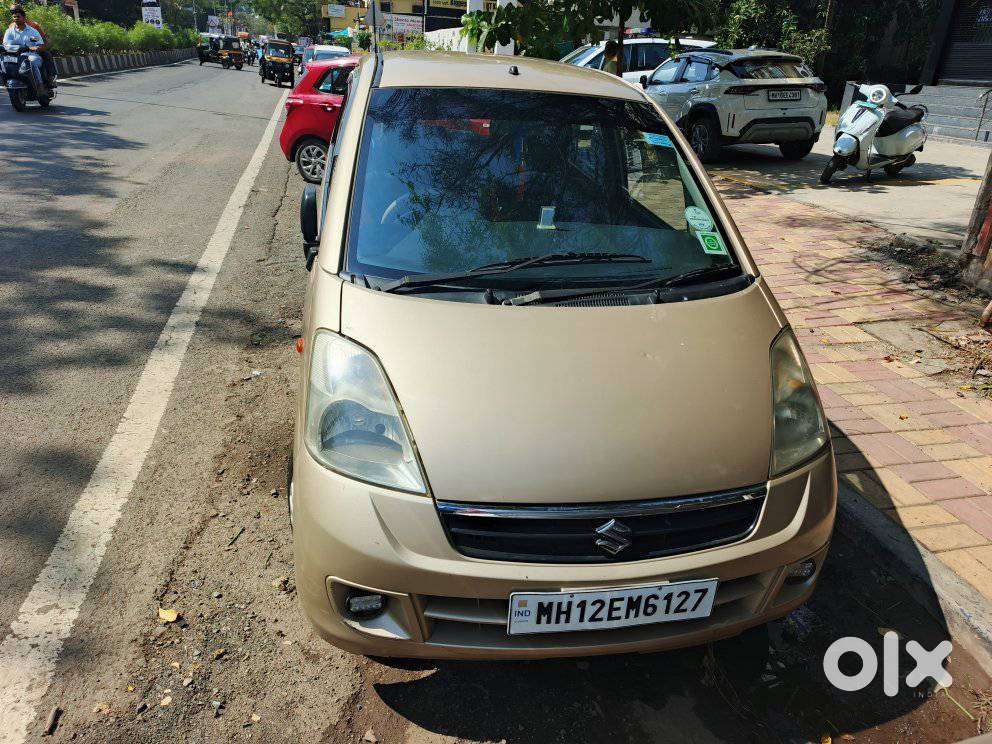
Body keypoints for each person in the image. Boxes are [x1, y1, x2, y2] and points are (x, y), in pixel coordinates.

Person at [3, 5, 48, 90]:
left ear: (24, 17)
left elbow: (40, 43)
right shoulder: (9, 31)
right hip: (15, 56)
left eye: (18, 16)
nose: (16, 18)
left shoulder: (33, 30)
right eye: (14, 16)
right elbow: (6, 45)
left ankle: (40, 86)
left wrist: (34, 47)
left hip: (30, 55)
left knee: (31, 62)